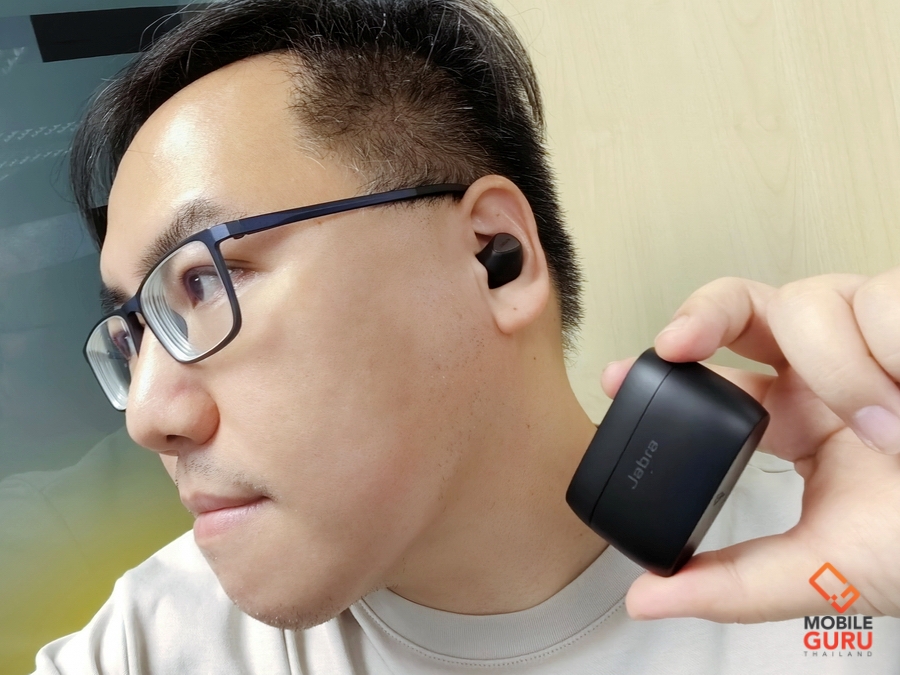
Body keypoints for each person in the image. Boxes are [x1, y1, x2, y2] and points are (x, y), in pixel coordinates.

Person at [31, 0, 900, 672]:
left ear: (494, 257)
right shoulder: (148, 644)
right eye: (136, 331)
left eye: (203, 279)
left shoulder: (847, 570)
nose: (148, 415)